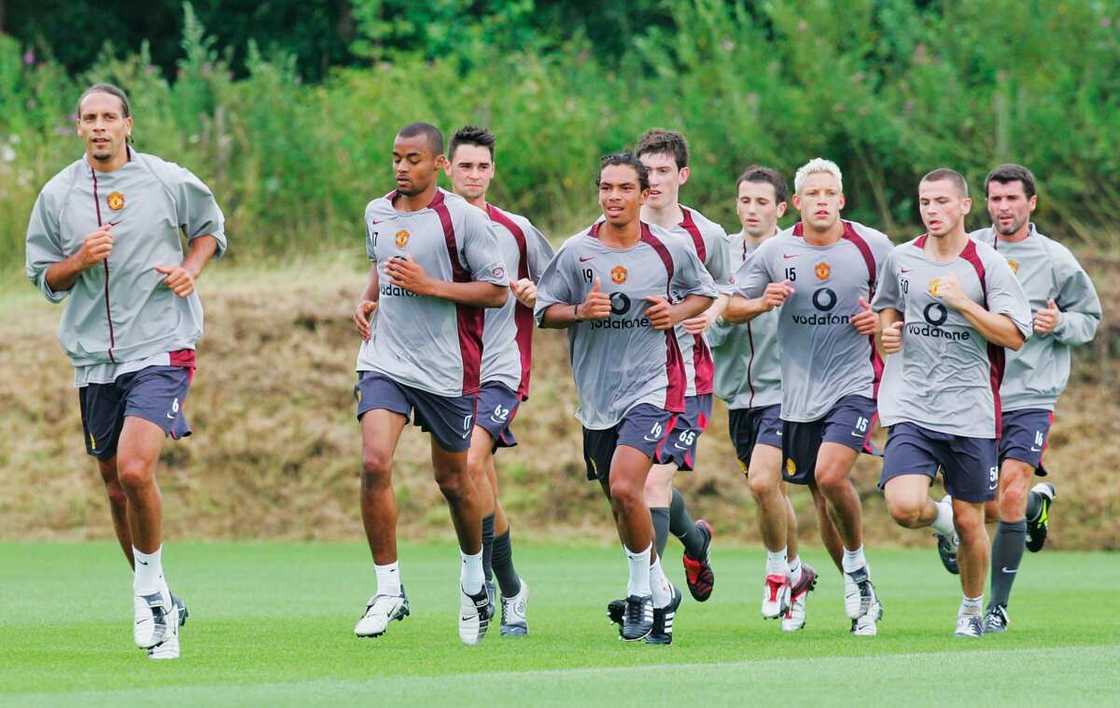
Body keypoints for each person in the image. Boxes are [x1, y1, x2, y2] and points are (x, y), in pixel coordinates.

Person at [25, 83, 226, 660]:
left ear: (128, 124)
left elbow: (211, 228)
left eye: (109, 116)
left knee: (136, 471)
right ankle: (158, 590)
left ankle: (150, 598)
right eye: (89, 118)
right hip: (92, 358)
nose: (99, 127)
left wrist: (191, 266)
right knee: (114, 486)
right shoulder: (57, 195)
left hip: (162, 346)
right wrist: (77, 261)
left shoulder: (166, 178)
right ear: (78, 126)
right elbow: (43, 277)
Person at [535, 153, 716, 644]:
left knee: (625, 486)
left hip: (654, 387)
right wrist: (579, 310)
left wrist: (675, 313)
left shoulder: (669, 249)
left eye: (623, 188)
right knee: (623, 505)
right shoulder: (577, 251)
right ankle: (661, 591)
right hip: (597, 395)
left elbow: (704, 293)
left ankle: (638, 595)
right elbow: (543, 311)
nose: (613, 197)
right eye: (606, 188)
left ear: (643, 195)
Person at [351, 122, 509, 646]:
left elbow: (495, 292)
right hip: (385, 359)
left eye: (413, 158)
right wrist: (369, 296)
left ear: (438, 164)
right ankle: (388, 589)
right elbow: (382, 263)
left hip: (446, 370)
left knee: (455, 482)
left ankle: (471, 581)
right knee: (375, 462)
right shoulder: (376, 211)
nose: (401, 167)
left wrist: (430, 286)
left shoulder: (460, 218)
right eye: (396, 157)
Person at [725, 158, 892, 636]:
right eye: (812, 195)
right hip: (795, 396)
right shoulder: (778, 251)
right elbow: (730, 307)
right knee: (821, 501)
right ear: (797, 204)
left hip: (854, 386)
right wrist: (762, 302)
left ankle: (857, 576)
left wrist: (878, 323)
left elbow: (904, 305)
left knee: (829, 474)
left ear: (841, 200)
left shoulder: (873, 246)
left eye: (829, 194)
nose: (822, 201)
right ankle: (854, 590)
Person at [873, 168, 1031, 637]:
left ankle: (971, 607)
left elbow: (1015, 335)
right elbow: (888, 304)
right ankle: (936, 519)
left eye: (941, 202)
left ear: (964, 206)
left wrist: (965, 304)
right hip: (912, 405)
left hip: (970, 411)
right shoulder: (901, 259)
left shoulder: (987, 265)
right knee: (903, 506)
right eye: (924, 202)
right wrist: (887, 330)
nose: (932, 211)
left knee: (971, 521)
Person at [959, 164, 1099, 633]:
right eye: (995, 199)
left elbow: (1089, 320)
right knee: (982, 502)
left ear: (1031, 203)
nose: (1003, 208)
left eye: (1012, 199)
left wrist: (1059, 324)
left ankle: (996, 607)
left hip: (1032, 393)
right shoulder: (971, 249)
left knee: (1011, 492)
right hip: (973, 390)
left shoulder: (1056, 258)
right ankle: (1034, 509)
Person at [444, 125, 555, 635]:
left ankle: (481, 581)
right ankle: (511, 587)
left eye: (482, 166)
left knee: (470, 463)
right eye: (465, 166)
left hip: (500, 368)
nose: (474, 175)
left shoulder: (516, 229)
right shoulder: (429, 224)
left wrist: (539, 296)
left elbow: (561, 284)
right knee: (477, 479)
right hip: (445, 371)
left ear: (493, 171)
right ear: (447, 168)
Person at [708, 166, 817, 630]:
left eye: (762, 202)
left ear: (781, 208)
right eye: (745, 201)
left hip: (785, 391)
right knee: (768, 492)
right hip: (736, 395)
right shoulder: (720, 255)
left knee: (761, 483)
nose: (752, 210)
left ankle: (775, 573)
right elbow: (710, 320)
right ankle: (797, 574)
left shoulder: (797, 253)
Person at [632, 129, 727, 602]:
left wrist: (710, 311)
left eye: (664, 170)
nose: (653, 180)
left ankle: (650, 594)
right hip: (629, 384)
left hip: (687, 380)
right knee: (638, 487)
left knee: (653, 480)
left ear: (682, 175)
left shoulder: (706, 234)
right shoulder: (616, 228)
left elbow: (727, 287)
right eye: (645, 171)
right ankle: (695, 540)